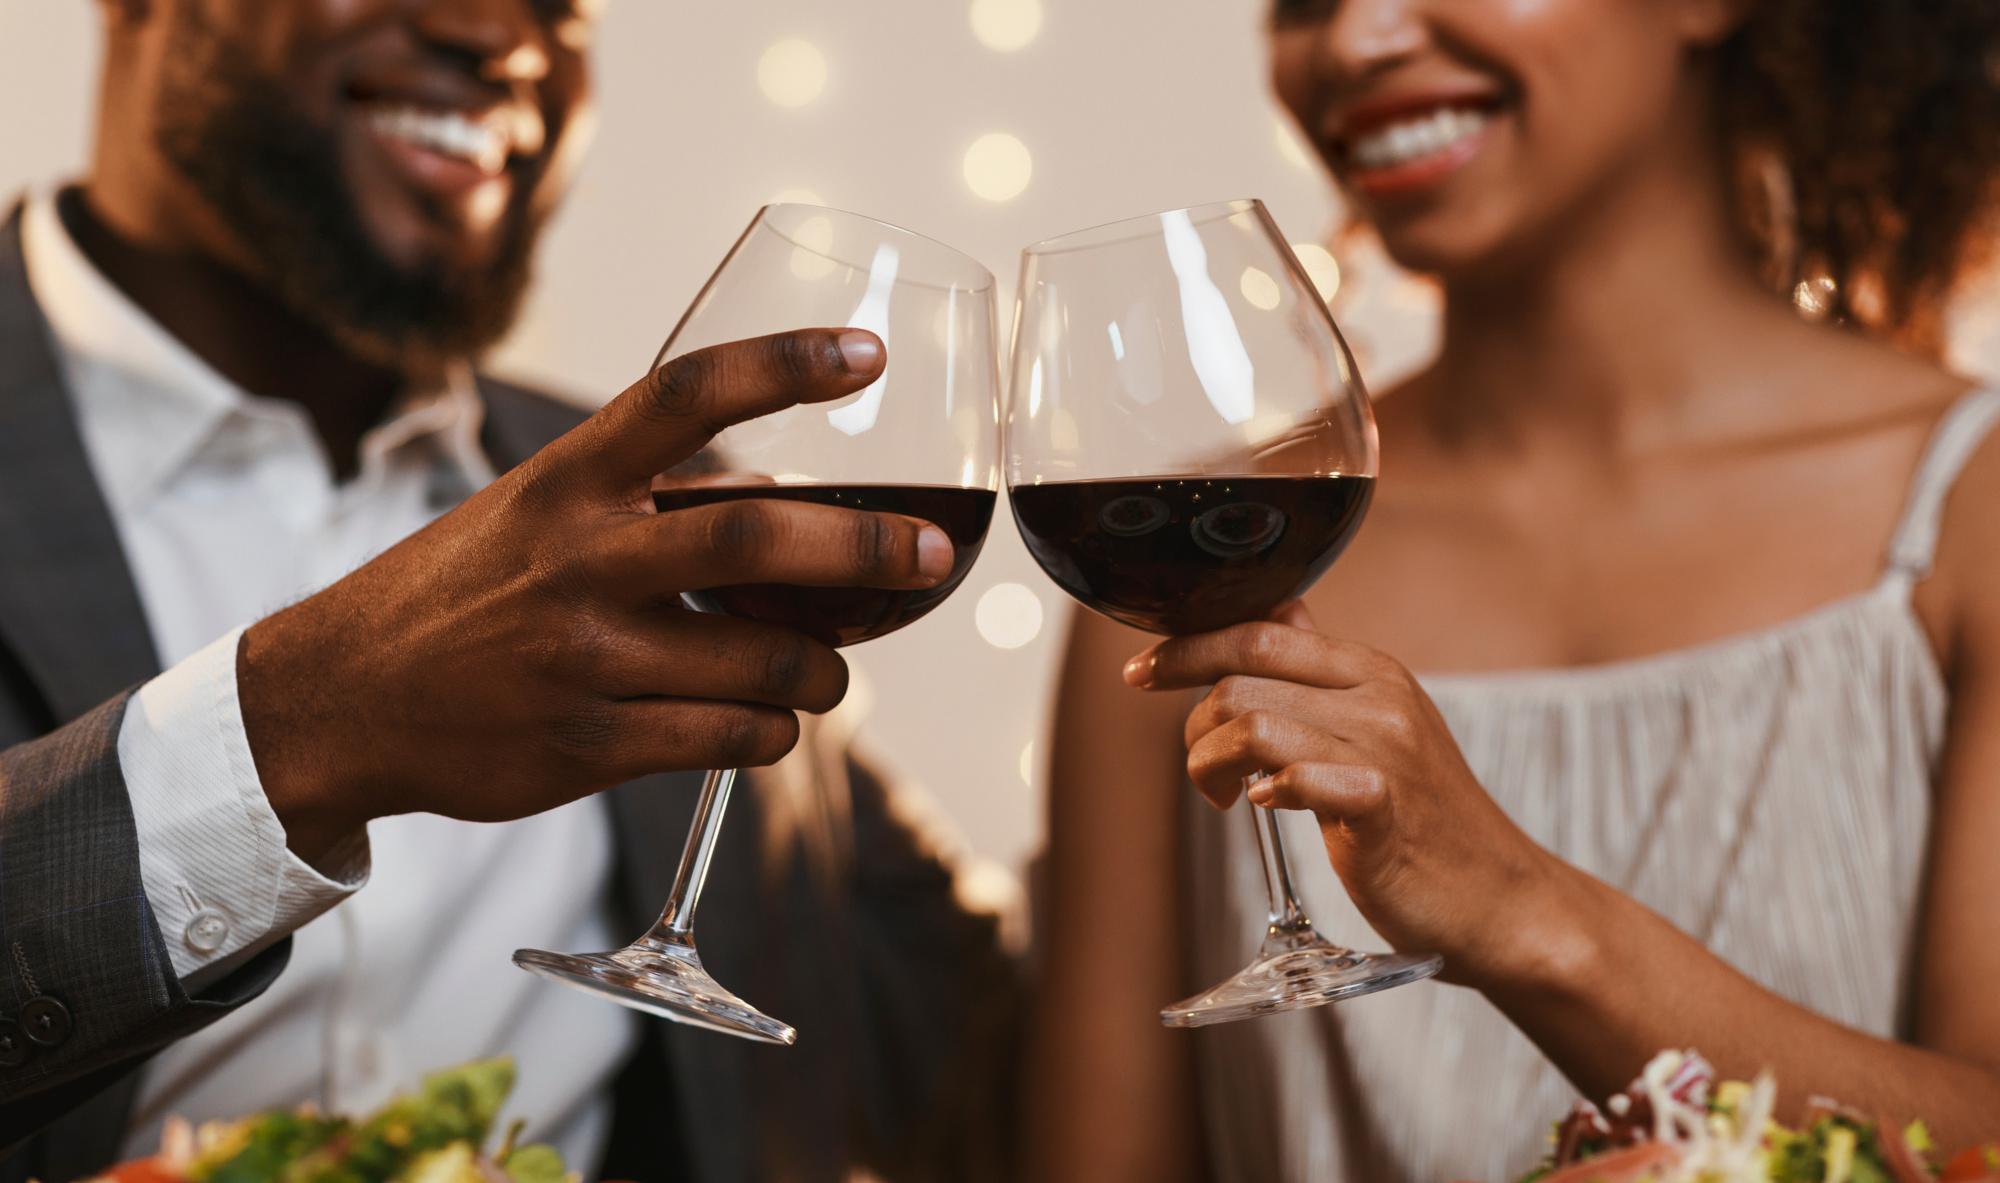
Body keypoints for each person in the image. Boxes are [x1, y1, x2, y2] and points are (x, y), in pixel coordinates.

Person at [0, 1, 1016, 1180]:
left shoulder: (665, 521)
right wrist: (291, 733)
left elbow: (982, 1037)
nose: (499, 34)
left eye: (561, 6)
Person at [1028, 0, 2000, 1178]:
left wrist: (1519, 906)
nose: (1352, 42)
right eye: (1299, 3)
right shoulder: (1171, 588)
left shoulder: (1965, 516)